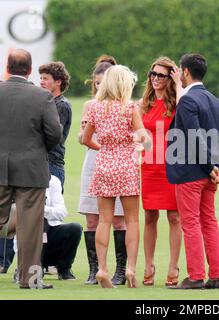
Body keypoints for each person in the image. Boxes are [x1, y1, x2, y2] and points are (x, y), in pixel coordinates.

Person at [82, 65, 150, 288]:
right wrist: (140, 142)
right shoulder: (130, 108)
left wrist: (102, 147)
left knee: (104, 220)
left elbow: (85, 139)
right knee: (131, 220)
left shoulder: (95, 107)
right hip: (127, 166)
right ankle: (130, 268)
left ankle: (102, 269)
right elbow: (142, 136)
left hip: (104, 164)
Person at [166, 53, 219, 289]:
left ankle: (195, 276)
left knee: (190, 223)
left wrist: (209, 167)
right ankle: (215, 276)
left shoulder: (188, 101)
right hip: (211, 174)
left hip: (191, 173)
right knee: (209, 221)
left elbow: (194, 139)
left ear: (185, 72)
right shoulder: (215, 100)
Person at [0, 49, 62, 289]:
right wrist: (36, 149)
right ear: (29, 69)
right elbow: (55, 134)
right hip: (31, 168)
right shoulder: (42, 96)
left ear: (8, 67)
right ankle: (31, 279)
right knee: (30, 227)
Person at [78, 55, 127, 286]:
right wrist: (85, 134)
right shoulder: (90, 106)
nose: (98, 87)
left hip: (118, 164)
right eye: (95, 83)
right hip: (94, 162)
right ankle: (94, 269)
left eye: (102, 82)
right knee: (91, 219)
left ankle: (120, 270)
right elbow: (82, 137)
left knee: (118, 220)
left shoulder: (126, 105)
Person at [140, 57, 182, 286]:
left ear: (170, 78)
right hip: (148, 165)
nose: (155, 79)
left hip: (171, 166)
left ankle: (173, 266)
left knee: (174, 216)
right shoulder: (143, 103)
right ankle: (148, 264)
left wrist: (178, 84)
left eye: (161, 75)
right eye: (153, 74)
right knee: (149, 216)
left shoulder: (178, 103)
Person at [5, 175, 82, 281]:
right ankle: (26, 267)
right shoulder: (21, 183)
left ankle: (64, 269)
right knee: (32, 224)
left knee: (75, 228)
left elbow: (62, 212)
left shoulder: (53, 181)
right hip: (29, 240)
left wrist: (40, 209)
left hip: (51, 233)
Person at [39, 62, 72, 189]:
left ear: (58, 82)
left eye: (45, 78)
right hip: (42, 162)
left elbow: (54, 136)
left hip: (52, 164)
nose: (41, 81)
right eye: (41, 78)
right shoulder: (46, 102)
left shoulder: (62, 105)